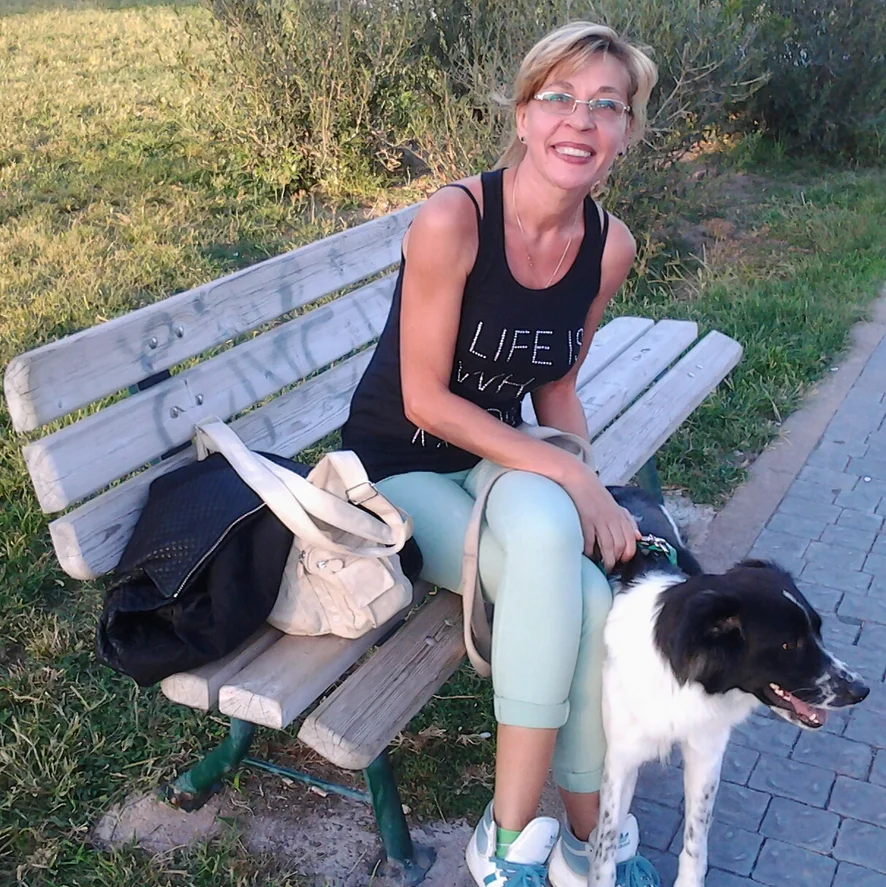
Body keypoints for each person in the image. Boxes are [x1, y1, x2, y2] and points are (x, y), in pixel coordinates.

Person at [342, 21, 659, 887]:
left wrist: (582, 478)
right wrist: (574, 476)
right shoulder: (456, 219)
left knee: (581, 574)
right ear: (523, 115)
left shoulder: (610, 246)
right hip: (399, 466)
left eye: (606, 105)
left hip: (497, 455)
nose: (580, 120)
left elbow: (555, 386)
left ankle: (579, 845)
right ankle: (528, 841)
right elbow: (423, 398)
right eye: (559, 97)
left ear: (626, 132)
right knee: (573, 578)